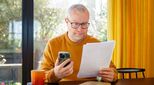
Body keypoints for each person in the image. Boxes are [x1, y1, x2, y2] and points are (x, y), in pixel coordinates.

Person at [39, 4, 118, 83]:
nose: (80, 29)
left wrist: (112, 75)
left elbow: (113, 71)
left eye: (84, 24)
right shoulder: (53, 44)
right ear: (67, 21)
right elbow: (42, 75)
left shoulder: (96, 44)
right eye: (75, 24)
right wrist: (55, 74)